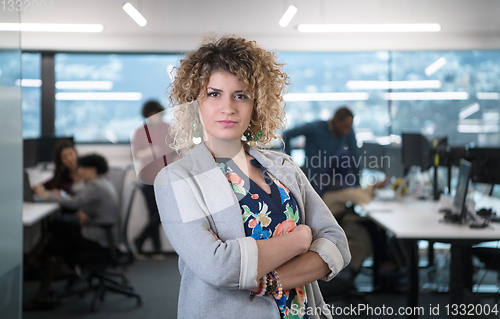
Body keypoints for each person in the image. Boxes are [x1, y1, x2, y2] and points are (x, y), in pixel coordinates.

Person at [154, 36, 350, 319]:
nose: (228, 107)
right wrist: (300, 239)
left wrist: (273, 281)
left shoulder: (283, 166)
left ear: (256, 104)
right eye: (214, 94)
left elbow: (336, 243)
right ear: (195, 103)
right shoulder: (176, 179)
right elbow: (218, 267)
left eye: (241, 95)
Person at [26, 154, 120, 310]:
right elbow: (85, 203)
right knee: (56, 238)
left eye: (83, 168)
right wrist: (86, 212)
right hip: (104, 233)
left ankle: (33, 263)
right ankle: (38, 272)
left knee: (55, 228)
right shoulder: (103, 182)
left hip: (99, 237)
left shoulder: (95, 185)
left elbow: (75, 203)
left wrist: (46, 195)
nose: (80, 172)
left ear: (93, 170)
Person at [130, 100, 176, 257]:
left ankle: (140, 240)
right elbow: (135, 154)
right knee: (153, 214)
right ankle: (156, 249)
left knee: (163, 214)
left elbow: (177, 152)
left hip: (166, 177)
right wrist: (148, 152)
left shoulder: (169, 129)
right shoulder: (140, 131)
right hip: (147, 177)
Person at [283, 107, 360, 193]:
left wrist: (358, 184)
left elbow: (355, 157)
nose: (347, 131)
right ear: (336, 120)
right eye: (345, 127)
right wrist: (292, 165)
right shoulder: (315, 128)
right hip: (313, 182)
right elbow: (286, 135)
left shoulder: (348, 131)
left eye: (349, 127)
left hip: (333, 183)